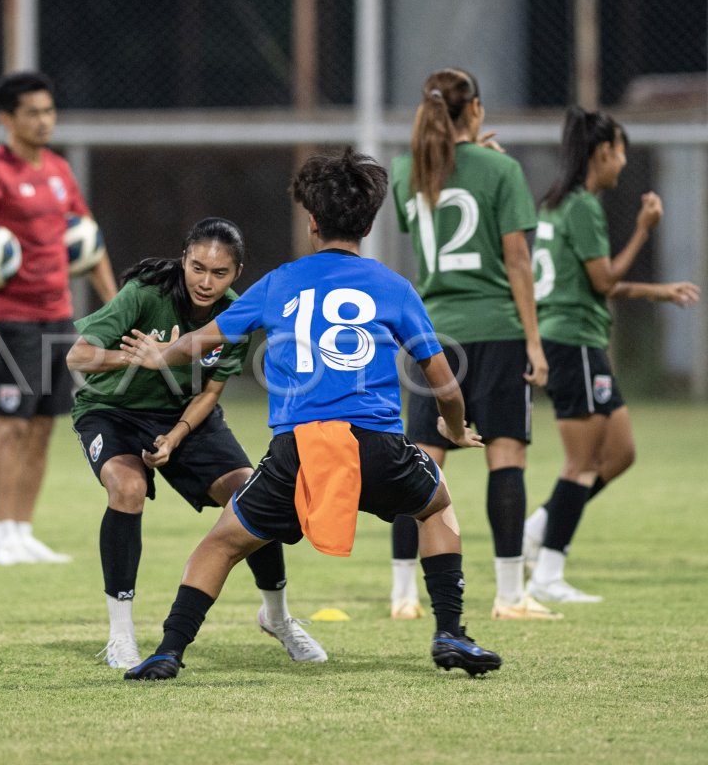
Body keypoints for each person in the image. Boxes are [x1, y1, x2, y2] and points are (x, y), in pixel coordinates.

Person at [119, 149, 501, 680]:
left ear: (312, 222)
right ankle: (450, 632)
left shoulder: (279, 282)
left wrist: (159, 353)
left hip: (298, 452)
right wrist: (453, 430)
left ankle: (168, 650)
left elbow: (203, 339)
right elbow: (446, 387)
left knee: (221, 545)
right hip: (378, 448)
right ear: (368, 224)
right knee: (436, 509)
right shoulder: (392, 287)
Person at [66, 217, 324, 670]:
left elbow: (210, 393)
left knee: (251, 491)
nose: (206, 281)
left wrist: (175, 436)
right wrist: (137, 358)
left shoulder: (234, 313)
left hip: (183, 416)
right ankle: (120, 635)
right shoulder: (146, 294)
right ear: (184, 259)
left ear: (237, 272)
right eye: (198, 267)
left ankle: (278, 617)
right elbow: (79, 356)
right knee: (126, 490)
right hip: (113, 411)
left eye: (219, 273)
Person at [387, 68, 559, 622]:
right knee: (505, 455)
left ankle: (402, 596)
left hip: (432, 334)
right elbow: (515, 260)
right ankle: (510, 596)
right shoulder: (502, 169)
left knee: (419, 463)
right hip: (497, 329)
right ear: (476, 110)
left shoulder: (405, 172)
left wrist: (470, 162)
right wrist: (535, 342)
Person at [522, 107, 699, 602]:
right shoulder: (581, 207)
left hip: (581, 339)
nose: (623, 161)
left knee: (620, 453)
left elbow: (592, 282)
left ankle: (538, 527)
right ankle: (548, 575)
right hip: (572, 340)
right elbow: (602, 281)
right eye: (619, 150)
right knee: (580, 463)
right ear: (602, 152)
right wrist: (644, 228)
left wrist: (656, 292)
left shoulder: (556, 203)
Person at [0, 71, 117, 565]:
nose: (44, 120)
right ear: (7, 119)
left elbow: (90, 238)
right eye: (33, 113)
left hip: (58, 317)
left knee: (42, 426)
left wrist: (118, 306)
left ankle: (24, 530)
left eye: (48, 110)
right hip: (10, 320)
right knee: (10, 426)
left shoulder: (59, 171)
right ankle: (3, 534)